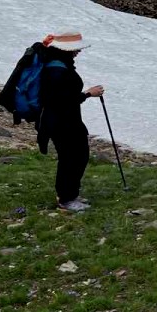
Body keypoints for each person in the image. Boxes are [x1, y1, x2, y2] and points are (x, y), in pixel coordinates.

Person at [37, 32, 104, 213]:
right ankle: (66, 199)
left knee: (76, 156)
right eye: (76, 49)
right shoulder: (56, 70)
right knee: (72, 158)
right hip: (62, 121)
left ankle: (70, 195)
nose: (78, 52)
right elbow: (61, 100)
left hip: (65, 119)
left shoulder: (58, 65)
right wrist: (88, 94)